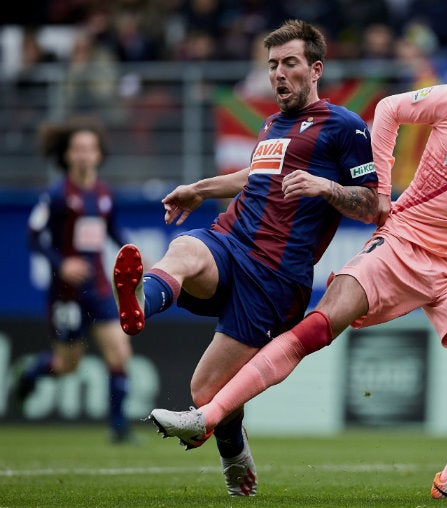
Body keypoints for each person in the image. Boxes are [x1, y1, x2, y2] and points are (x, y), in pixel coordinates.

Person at [148, 30, 447, 500]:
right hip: (403, 242)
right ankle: (209, 415)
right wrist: (382, 193)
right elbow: (388, 109)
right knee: (321, 325)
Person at [112, 19, 378, 497]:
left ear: (315, 69)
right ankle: (138, 305)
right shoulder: (271, 125)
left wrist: (326, 186)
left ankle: (235, 458)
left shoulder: (345, 127)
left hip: (275, 279)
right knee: (186, 248)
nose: (278, 73)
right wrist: (198, 188)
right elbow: (253, 176)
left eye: (289, 63)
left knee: (204, 392)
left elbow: (375, 204)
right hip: (230, 243)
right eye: (272, 64)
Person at [16, 116, 135, 443]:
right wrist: (61, 262)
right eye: (78, 149)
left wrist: (135, 253)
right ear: (68, 155)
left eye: (90, 149)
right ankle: (30, 373)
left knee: (119, 352)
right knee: (67, 364)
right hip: (65, 294)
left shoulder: (103, 194)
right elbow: (34, 235)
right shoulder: (56, 195)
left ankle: (119, 429)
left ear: (99, 154)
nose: (84, 155)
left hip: (97, 289)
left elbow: (113, 232)